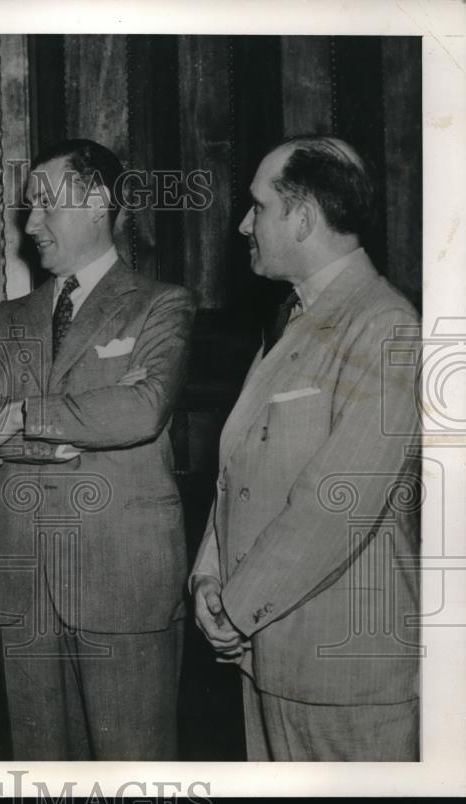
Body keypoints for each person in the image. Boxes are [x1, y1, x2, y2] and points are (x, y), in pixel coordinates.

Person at [0, 139, 195, 760]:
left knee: (134, 771)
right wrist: (72, 435)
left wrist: (27, 415)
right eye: (29, 207)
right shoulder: (9, 318)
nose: (31, 223)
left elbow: (141, 409)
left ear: (96, 202)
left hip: (122, 584)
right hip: (25, 588)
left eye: (45, 205)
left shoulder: (161, 304)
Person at [190, 135, 420, 761]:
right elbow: (239, 467)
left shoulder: (386, 326)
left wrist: (234, 606)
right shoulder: (296, 318)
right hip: (268, 655)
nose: (244, 225)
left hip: (344, 678)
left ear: (303, 217)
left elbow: (336, 503)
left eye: (258, 206)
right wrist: (209, 573)